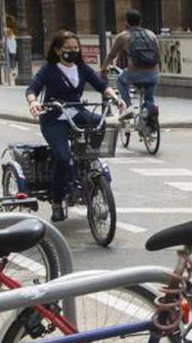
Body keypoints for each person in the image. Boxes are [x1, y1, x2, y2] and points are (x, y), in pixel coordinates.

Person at [26, 31, 126, 223]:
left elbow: (100, 84)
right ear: (57, 50)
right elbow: (33, 89)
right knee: (62, 158)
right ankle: (57, 202)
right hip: (54, 118)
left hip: (77, 113)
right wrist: (33, 102)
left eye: (75, 48)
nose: (72, 52)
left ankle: (89, 158)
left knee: (100, 122)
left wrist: (114, 97)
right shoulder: (49, 70)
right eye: (67, 49)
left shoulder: (82, 68)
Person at [101, 9, 160, 121]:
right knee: (149, 99)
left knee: (121, 81)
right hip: (154, 74)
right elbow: (158, 54)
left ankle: (128, 107)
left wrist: (103, 69)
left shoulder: (123, 36)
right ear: (140, 21)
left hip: (134, 73)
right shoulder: (151, 34)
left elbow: (111, 56)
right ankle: (152, 125)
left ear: (126, 22)